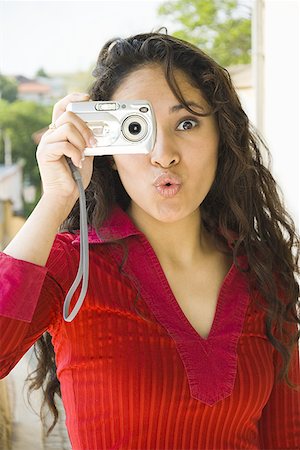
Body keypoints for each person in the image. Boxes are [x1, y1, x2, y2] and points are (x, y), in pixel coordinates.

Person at [0, 31, 299, 450]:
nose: (164, 153)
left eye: (188, 122)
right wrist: (57, 199)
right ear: (107, 149)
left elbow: (285, 436)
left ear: (222, 137)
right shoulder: (74, 266)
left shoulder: (265, 273)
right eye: (138, 129)